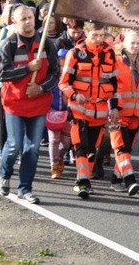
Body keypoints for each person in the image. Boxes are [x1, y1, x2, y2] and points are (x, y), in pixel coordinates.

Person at [0, 5, 59, 203]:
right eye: (23, 19)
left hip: (38, 103)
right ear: (14, 22)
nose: (28, 21)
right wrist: (27, 68)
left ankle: (25, 188)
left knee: (32, 148)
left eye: (30, 17)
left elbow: (55, 74)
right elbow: (2, 74)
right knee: (14, 145)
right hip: (14, 103)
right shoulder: (9, 44)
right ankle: (4, 174)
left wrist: (40, 88)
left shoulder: (46, 44)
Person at [59, 20, 118, 199]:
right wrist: (75, 95)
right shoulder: (75, 53)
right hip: (79, 108)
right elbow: (63, 83)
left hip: (99, 111)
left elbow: (115, 84)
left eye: (101, 35)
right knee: (80, 145)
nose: (98, 39)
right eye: (94, 35)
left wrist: (115, 107)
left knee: (93, 148)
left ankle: (84, 180)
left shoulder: (109, 54)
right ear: (86, 33)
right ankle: (83, 181)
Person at [109, 30, 139, 196]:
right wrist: (113, 107)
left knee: (127, 148)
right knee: (121, 147)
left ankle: (116, 179)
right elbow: (111, 87)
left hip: (137, 114)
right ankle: (130, 180)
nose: (136, 46)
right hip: (118, 113)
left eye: (138, 43)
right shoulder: (116, 61)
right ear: (124, 44)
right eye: (132, 43)